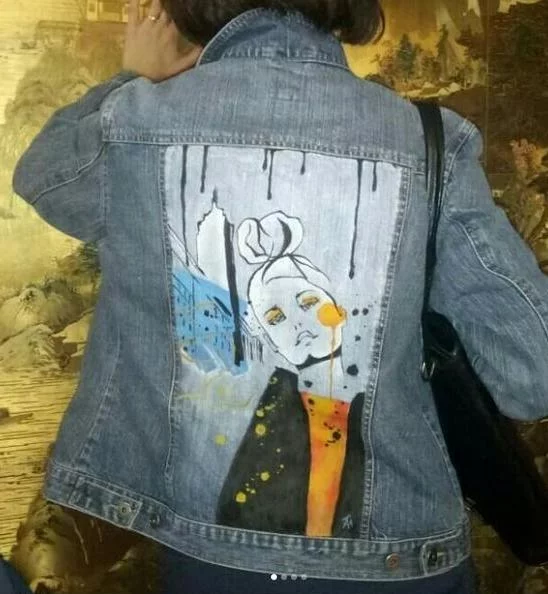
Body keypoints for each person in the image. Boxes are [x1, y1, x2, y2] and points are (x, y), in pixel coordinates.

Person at [12, 0, 548, 592]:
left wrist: (134, 77)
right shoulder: (430, 144)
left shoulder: (133, 124)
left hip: (209, 559)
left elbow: (43, 177)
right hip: (402, 559)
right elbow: (532, 374)